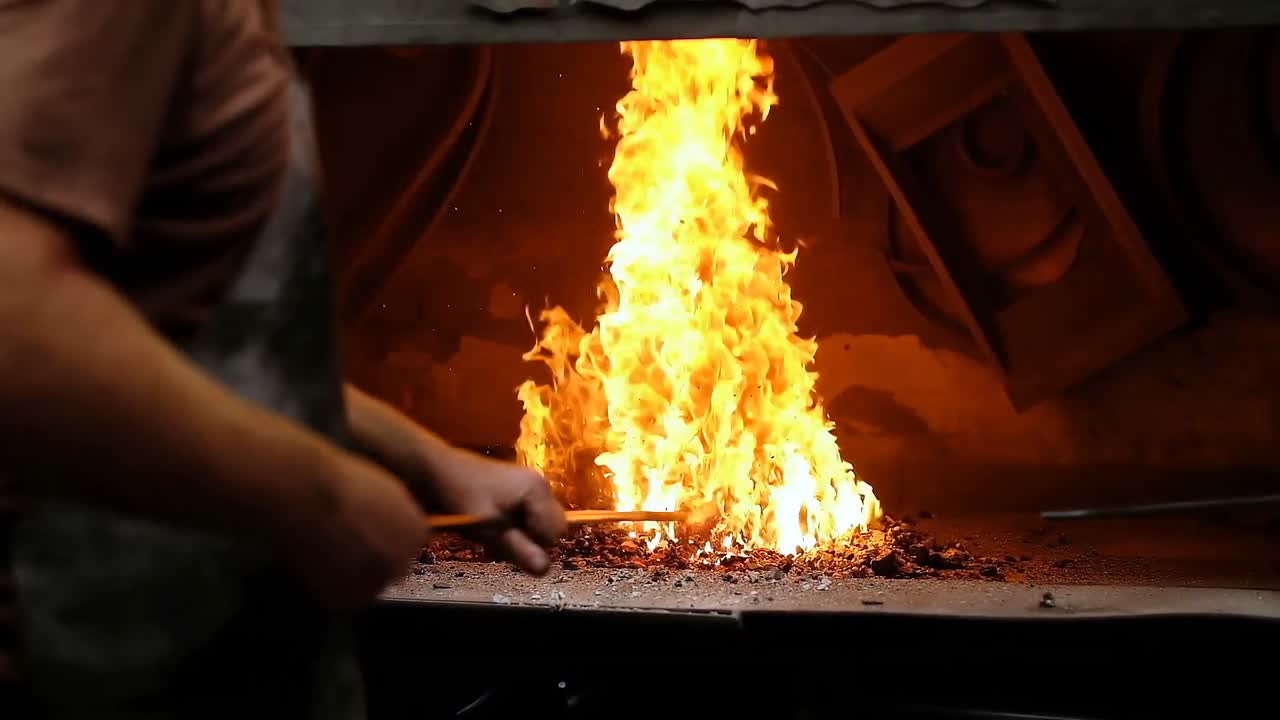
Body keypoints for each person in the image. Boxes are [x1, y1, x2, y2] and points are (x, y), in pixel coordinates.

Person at [0, 1, 567, 717]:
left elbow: (187, 340)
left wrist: (431, 462)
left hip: (222, 647)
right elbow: (15, 317)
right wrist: (323, 498)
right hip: (97, 663)